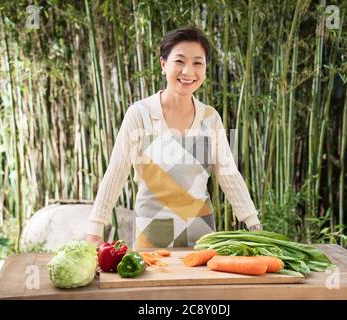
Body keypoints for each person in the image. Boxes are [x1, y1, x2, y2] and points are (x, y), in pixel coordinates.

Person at [86, 26, 262, 249]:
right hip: (151, 239)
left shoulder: (211, 118)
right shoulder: (140, 114)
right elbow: (116, 172)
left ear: (205, 69)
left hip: (202, 238)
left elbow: (229, 175)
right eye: (179, 61)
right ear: (163, 65)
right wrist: (95, 228)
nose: (188, 71)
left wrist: (254, 226)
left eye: (198, 63)